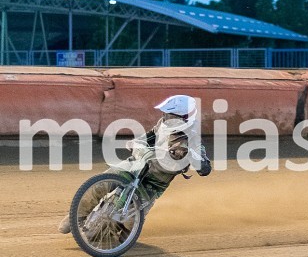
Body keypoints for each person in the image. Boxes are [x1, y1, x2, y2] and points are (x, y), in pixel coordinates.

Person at [58, 95, 212, 234]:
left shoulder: (193, 140)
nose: (165, 117)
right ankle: (75, 216)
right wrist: (135, 143)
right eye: (165, 114)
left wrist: (194, 158)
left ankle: (116, 239)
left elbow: (205, 168)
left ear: (185, 118)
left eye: (170, 115)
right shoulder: (163, 124)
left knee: (129, 224)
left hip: (153, 184)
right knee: (100, 184)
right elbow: (148, 137)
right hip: (136, 165)